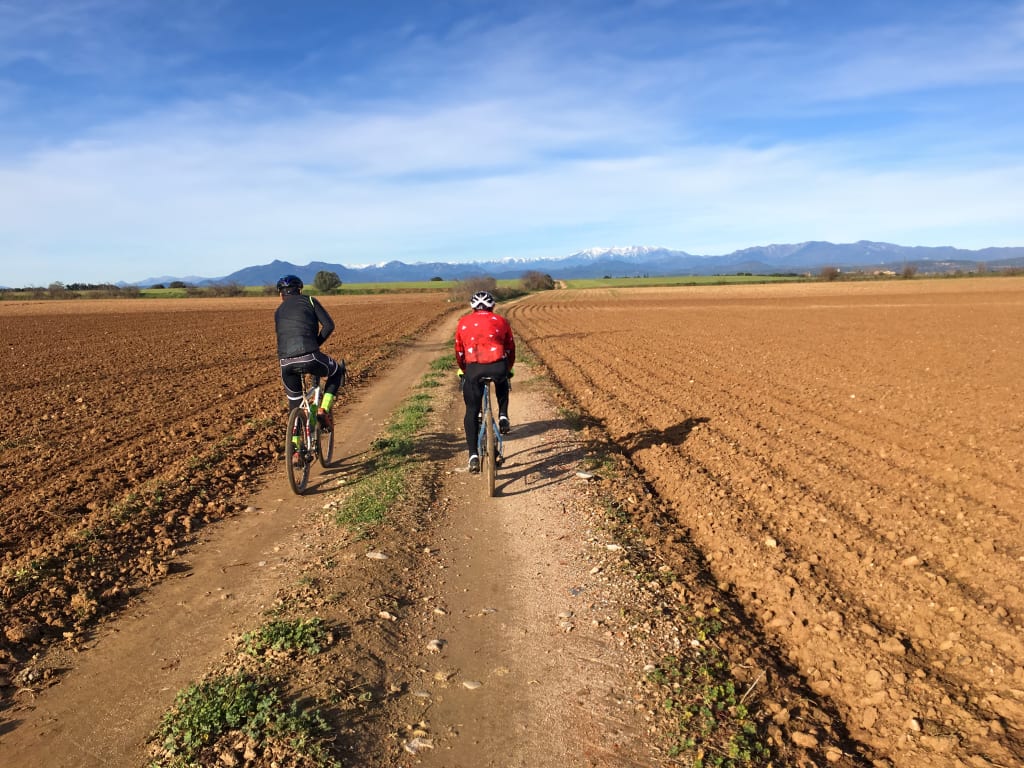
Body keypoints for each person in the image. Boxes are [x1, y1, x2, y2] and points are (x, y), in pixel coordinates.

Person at [274, 275, 346, 437]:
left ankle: (295, 450)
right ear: (300, 290)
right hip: (310, 357)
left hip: (285, 363)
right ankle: (324, 409)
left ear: (281, 294)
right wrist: (315, 345)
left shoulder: (278, 311)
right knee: (336, 371)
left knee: (295, 404)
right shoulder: (310, 301)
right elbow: (328, 326)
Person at [455, 290, 515, 473]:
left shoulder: (463, 323)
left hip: (473, 370)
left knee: (471, 411)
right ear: (492, 306)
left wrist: (465, 371)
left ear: (472, 307)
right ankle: (503, 415)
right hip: (498, 366)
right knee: (503, 379)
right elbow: (510, 348)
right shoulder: (501, 321)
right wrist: (507, 368)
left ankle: (473, 455)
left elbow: (459, 352)